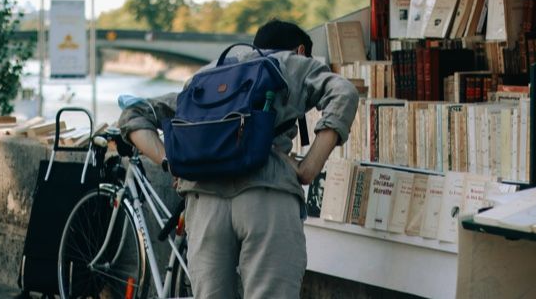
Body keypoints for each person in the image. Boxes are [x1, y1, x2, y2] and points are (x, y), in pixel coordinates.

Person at [118, 19, 358, 299]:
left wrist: (173, 164)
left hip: (205, 204)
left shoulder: (208, 74)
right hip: (266, 198)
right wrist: (308, 168)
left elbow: (133, 115)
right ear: (301, 49)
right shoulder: (293, 62)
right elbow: (344, 92)